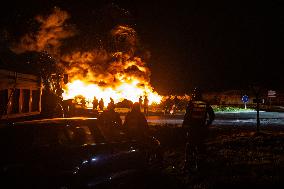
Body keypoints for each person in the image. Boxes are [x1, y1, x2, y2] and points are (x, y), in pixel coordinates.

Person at [182, 87, 215, 172]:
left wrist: (184, 127)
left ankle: (188, 165)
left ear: (194, 94)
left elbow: (187, 117)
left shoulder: (191, 103)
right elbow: (212, 116)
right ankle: (200, 166)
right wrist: (207, 125)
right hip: (201, 129)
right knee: (200, 147)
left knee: (189, 147)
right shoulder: (205, 103)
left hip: (192, 129)